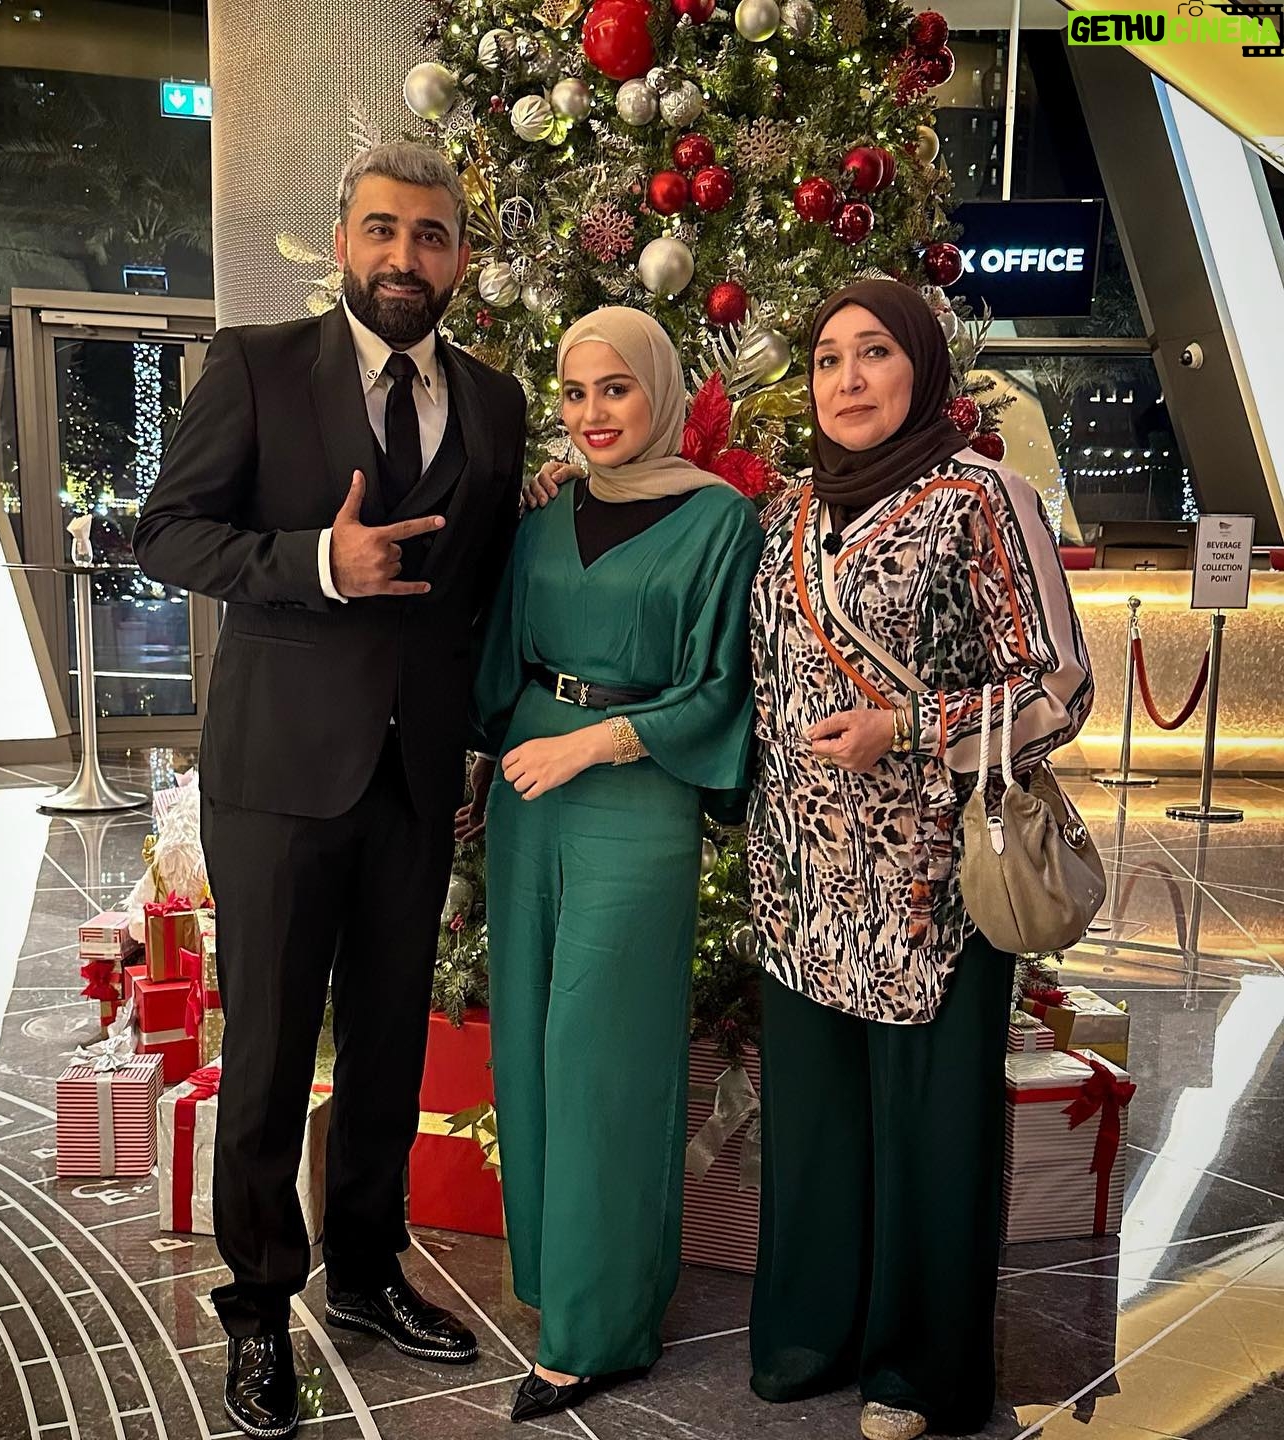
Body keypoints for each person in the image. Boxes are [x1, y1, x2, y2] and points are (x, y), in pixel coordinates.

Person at [133, 141, 526, 1440]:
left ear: (459, 257)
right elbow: (166, 531)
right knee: (266, 1054)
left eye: (431, 235)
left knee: (388, 1045)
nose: (405, 257)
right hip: (279, 777)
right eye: (383, 230)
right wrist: (314, 562)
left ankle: (363, 1267)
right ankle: (258, 1305)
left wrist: (477, 740)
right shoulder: (256, 365)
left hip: (416, 778)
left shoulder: (494, 401)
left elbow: (477, 592)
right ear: (345, 238)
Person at [746, 279, 1093, 1440]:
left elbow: (1058, 685)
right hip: (801, 876)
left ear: (923, 369)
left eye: (875, 353)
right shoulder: (793, 510)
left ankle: (917, 1367)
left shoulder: (982, 496)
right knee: (817, 1125)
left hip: (929, 881)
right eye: (827, 358)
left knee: (930, 1130)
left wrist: (908, 728)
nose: (846, 379)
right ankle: (815, 1332)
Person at [458, 307, 762, 1424]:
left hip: (635, 788)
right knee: (533, 1043)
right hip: (529, 791)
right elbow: (503, 652)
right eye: (575, 392)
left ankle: (600, 1333)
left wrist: (593, 744)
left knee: (605, 1056)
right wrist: (487, 762)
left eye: (616, 389)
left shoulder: (720, 519)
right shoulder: (547, 511)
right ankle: (556, 1282)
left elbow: (722, 684)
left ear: (660, 392)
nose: (592, 413)